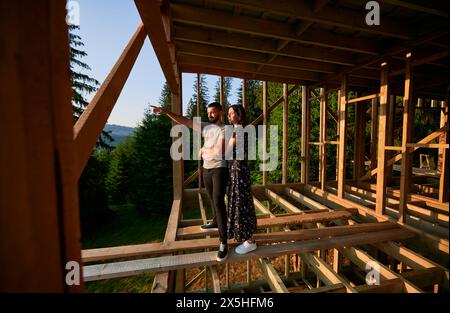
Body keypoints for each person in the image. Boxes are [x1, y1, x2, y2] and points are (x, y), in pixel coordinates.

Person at [151, 102, 229, 262]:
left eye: (213, 112)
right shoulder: (207, 127)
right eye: (209, 113)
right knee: (212, 199)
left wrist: (203, 150)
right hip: (206, 169)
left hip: (219, 168)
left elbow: (219, 151)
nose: (210, 115)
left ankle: (223, 243)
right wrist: (166, 112)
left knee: (219, 202)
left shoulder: (225, 129)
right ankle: (215, 222)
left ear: (220, 112)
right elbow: (185, 121)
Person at [203, 105, 257, 254]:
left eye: (232, 113)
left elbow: (224, 153)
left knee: (242, 204)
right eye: (228, 114)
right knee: (240, 203)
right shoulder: (238, 129)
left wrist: (206, 150)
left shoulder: (239, 130)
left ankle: (250, 241)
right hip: (236, 170)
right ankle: (245, 237)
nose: (229, 116)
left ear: (239, 115)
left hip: (238, 171)